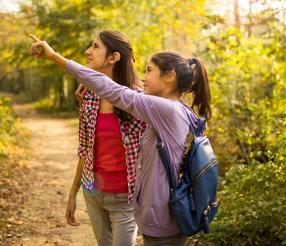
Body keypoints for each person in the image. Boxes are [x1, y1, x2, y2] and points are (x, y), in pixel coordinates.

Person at [29, 34, 212, 246]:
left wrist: (54, 56)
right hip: (156, 218)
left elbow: (116, 91)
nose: (143, 78)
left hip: (161, 221)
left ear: (169, 77)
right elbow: (115, 94)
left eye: (149, 71)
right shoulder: (174, 109)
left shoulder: (165, 110)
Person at [44, 31, 146, 246]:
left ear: (114, 57)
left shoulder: (138, 100)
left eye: (96, 47)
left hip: (126, 199)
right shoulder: (88, 97)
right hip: (94, 193)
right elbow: (85, 150)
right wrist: (73, 193)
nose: (88, 51)